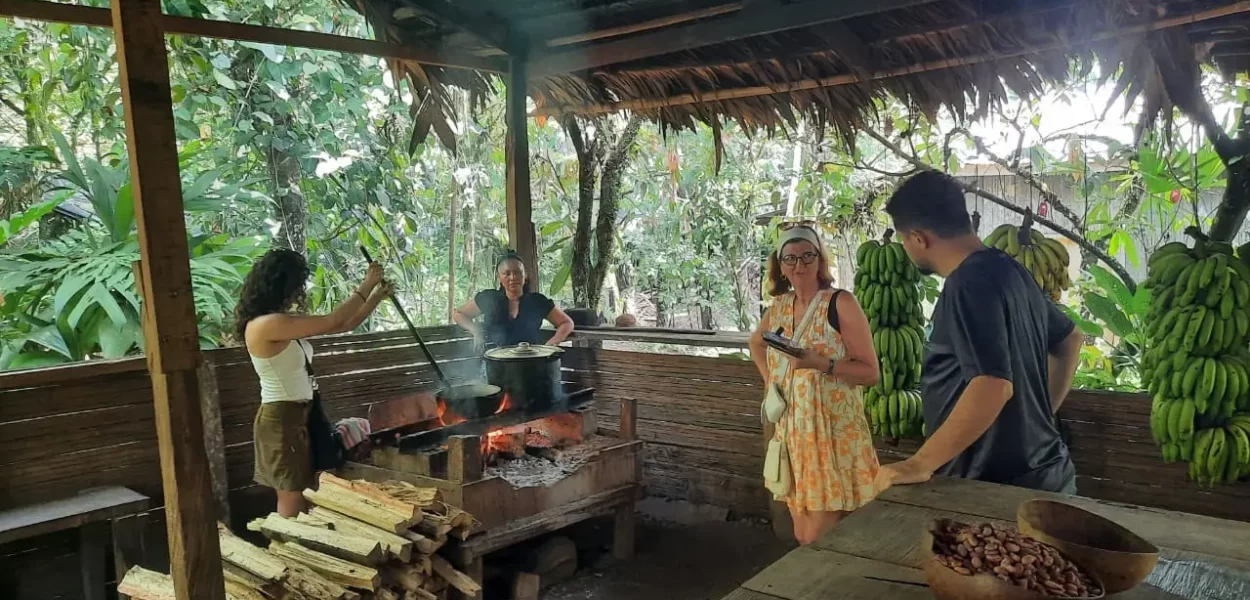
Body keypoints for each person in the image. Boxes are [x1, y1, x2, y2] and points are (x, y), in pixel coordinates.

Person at [876, 171, 1084, 494]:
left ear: (919, 239)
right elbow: (1070, 340)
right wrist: (1041, 414)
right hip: (1045, 474)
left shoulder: (967, 285)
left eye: (904, 240)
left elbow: (992, 385)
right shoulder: (1010, 270)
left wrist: (919, 463)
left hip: (994, 490)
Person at [748, 223, 883, 545]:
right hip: (794, 437)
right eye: (790, 259)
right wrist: (771, 383)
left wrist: (821, 364)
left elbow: (870, 373)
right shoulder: (779, 308)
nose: (799, 266)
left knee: (819, 536)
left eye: (807, 256)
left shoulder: (840, 303)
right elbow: (756, 343)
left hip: (834, 437)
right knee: (802, 530)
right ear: (780, 266)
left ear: (820, 261)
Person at [235, 249, 393, 516]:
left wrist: (376, 296)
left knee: (306, 488)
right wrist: (367, 283)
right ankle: (290, 552)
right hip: (282, 420)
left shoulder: (281, 321)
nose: (298, 293)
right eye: (296, 286)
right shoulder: (265, 325)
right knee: (292, 495)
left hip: (301, 415)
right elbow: (334, 319)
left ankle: (300, 545)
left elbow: (342, 325)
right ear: (282, 285)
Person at [452, 251, 575, 349]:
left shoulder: (537, 301)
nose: (512, 277)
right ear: (499, 278)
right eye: (507, 273)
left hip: (530, 363)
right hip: (494, 365)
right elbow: (458, 314)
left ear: (525, 275)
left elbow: (566, 323)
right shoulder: (489, 298)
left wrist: (552, 343)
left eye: (517, 272)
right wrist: (475, 330)